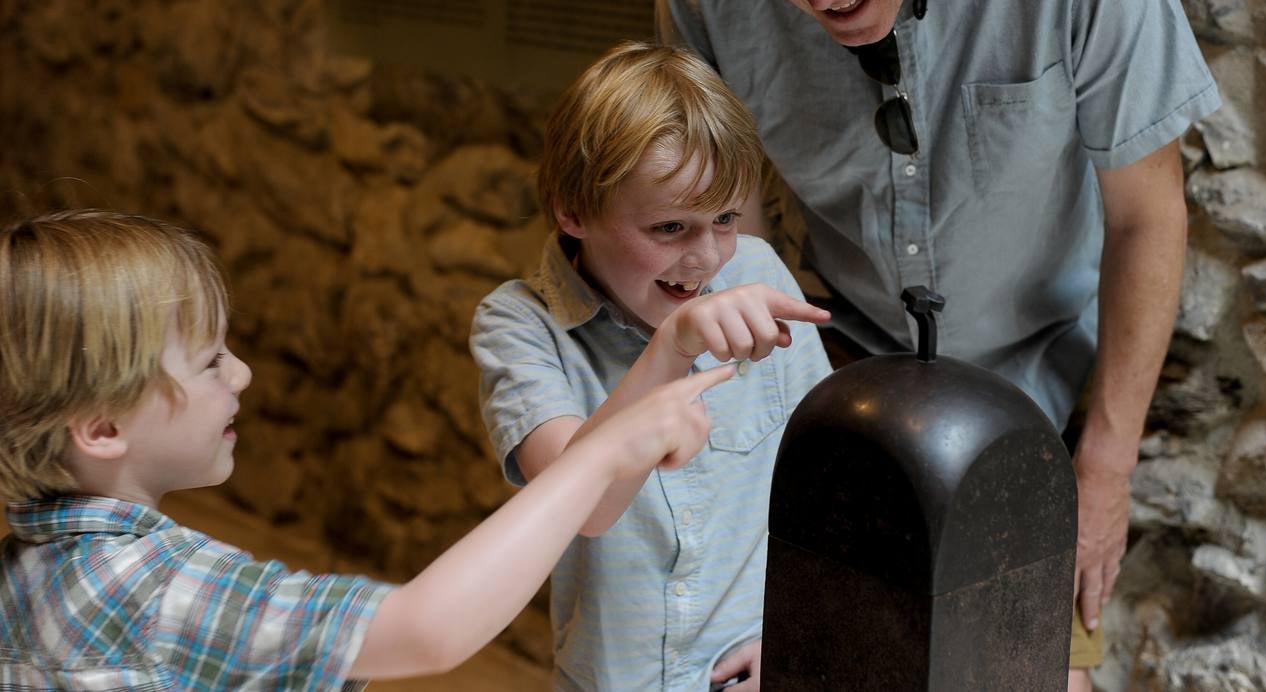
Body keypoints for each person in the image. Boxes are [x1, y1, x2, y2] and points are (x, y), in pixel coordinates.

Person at [656, 0, 1221, 687]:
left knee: (1034, 672)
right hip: (843, 378)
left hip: (1039, 393)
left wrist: (1103, 472)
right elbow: (736, 246)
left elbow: (1148, 215)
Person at [0, 208, 724, 690]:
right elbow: (426, 630)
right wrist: (599, 456)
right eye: (211, 361)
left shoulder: (26, 569)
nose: (243, 373)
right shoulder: (160, 590)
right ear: (100, 428)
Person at [472, 40, 832, 691]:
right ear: (572, 210)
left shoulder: (755, 273)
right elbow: (581, 508)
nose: (706, 260)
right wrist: (673, 349)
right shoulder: (518, 325)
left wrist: (802, 629)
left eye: (724, 219)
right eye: (670, 229)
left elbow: (831, 481)